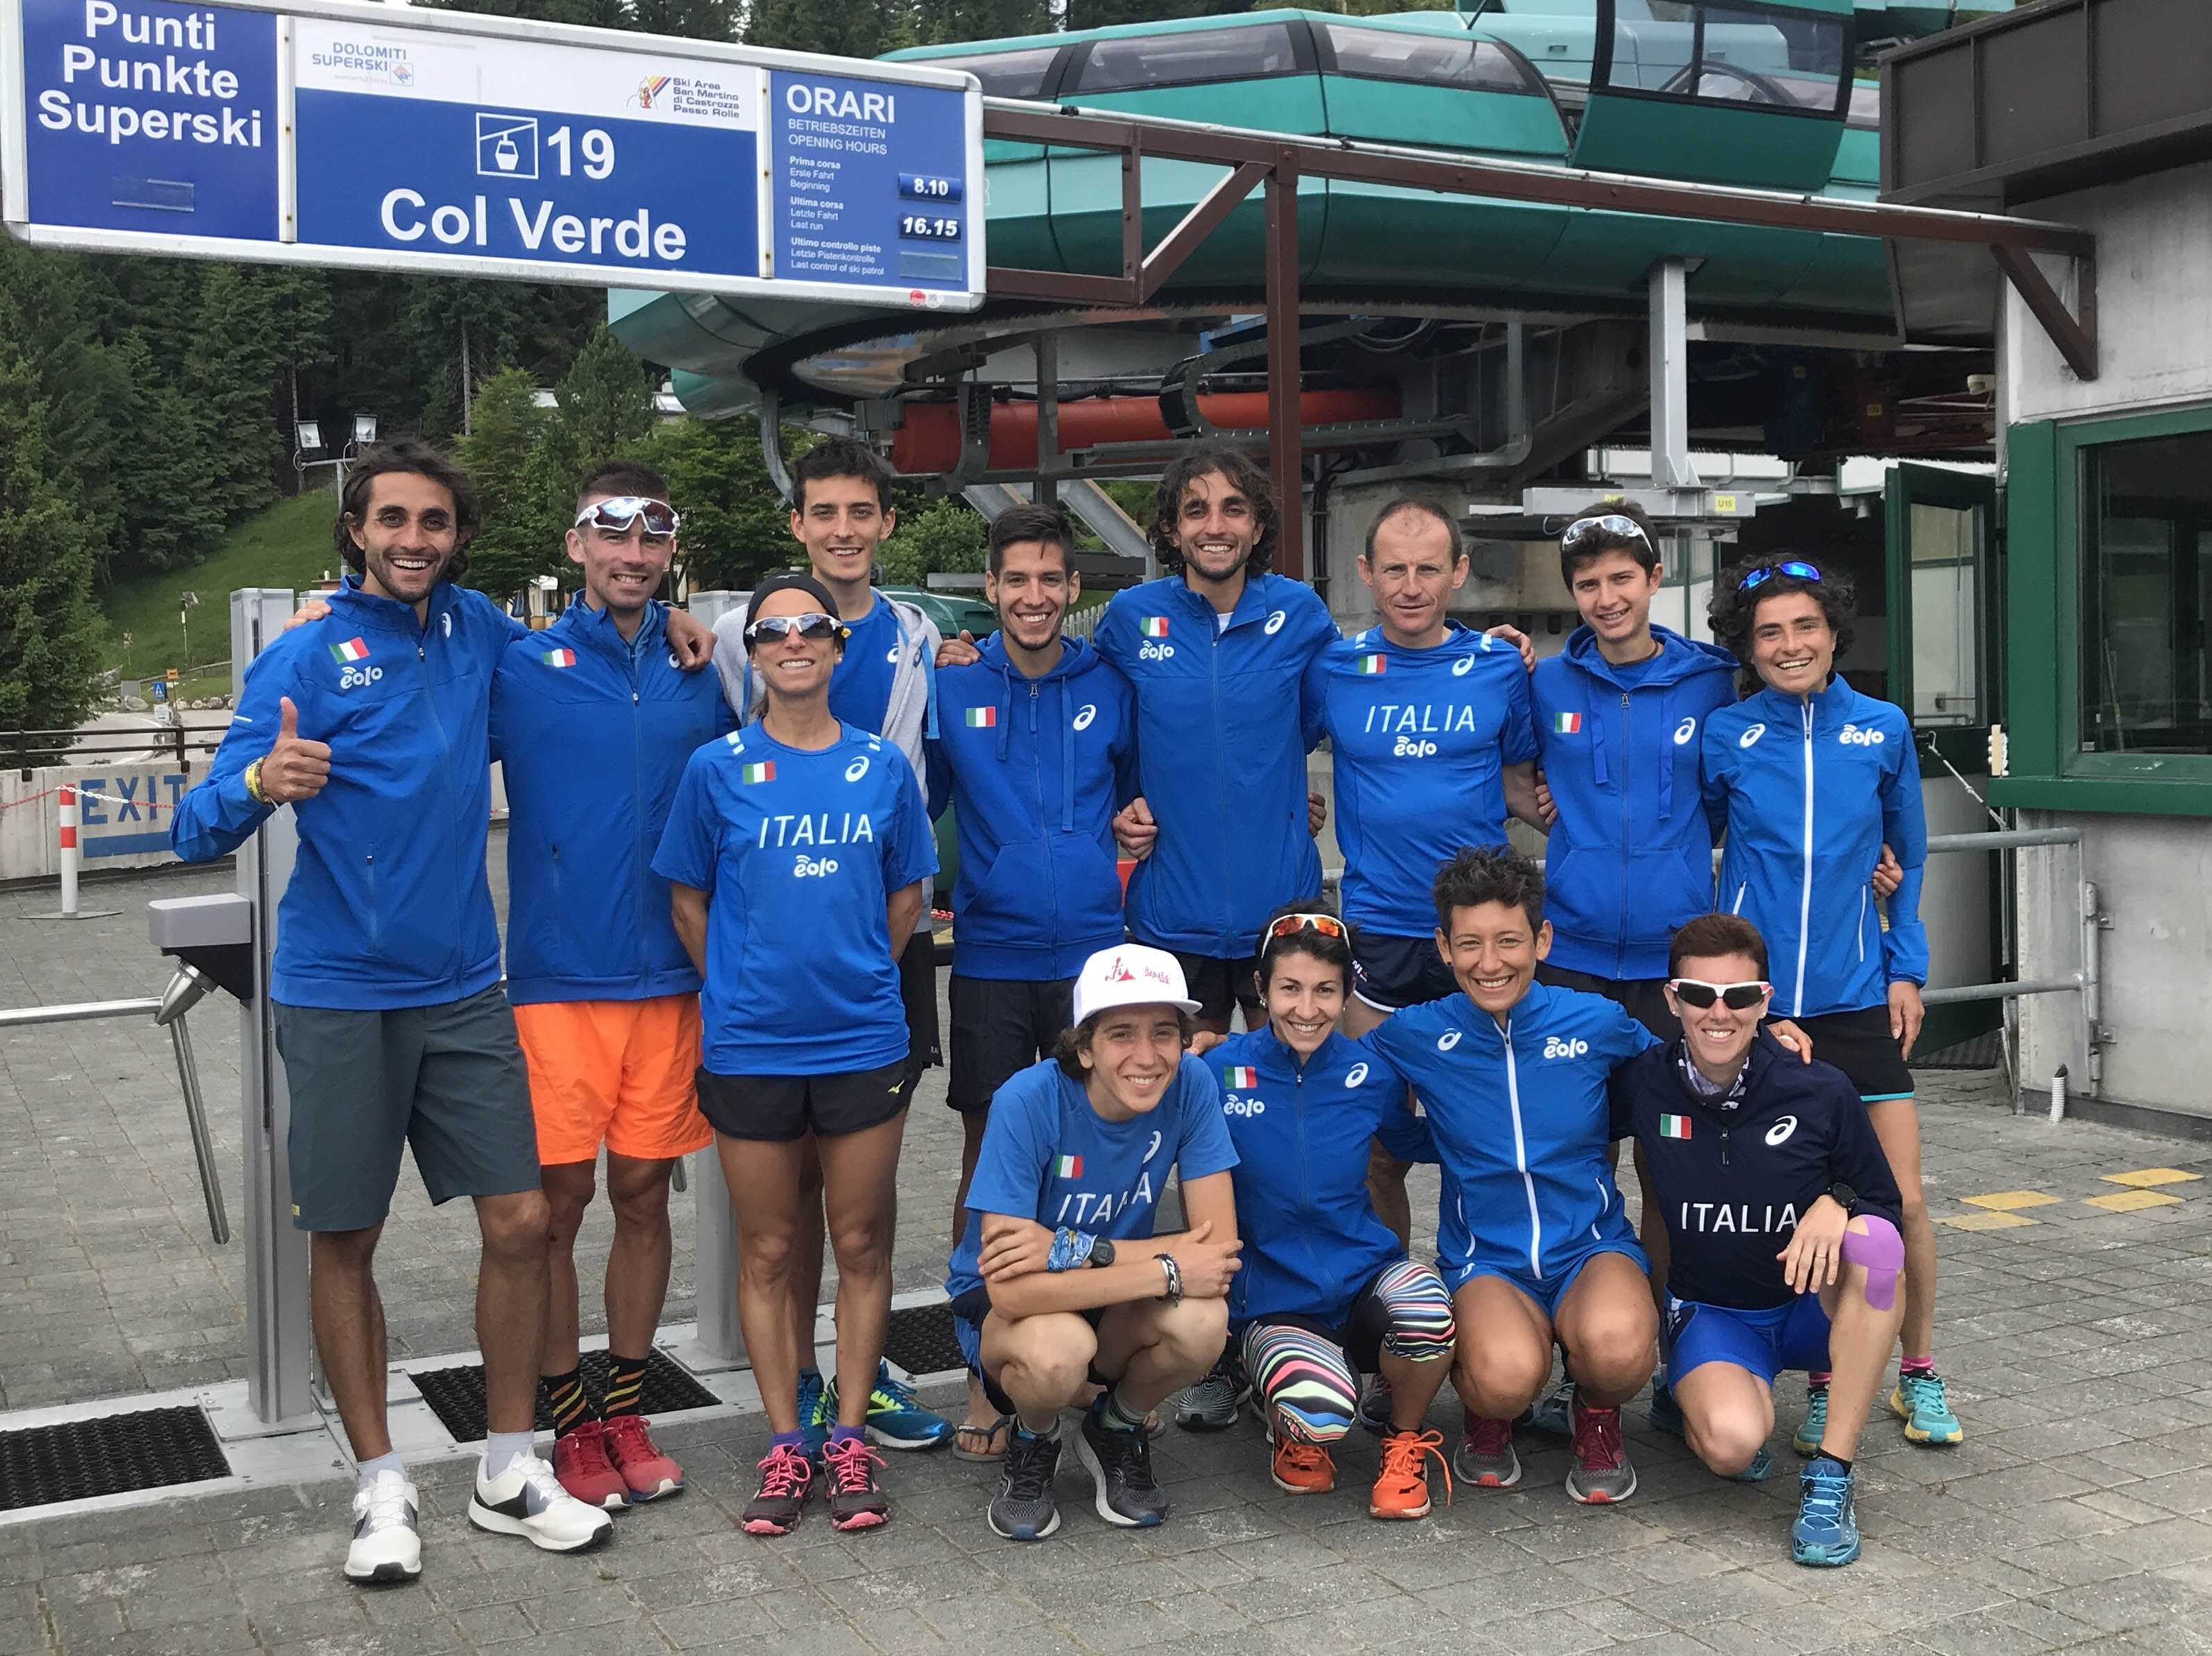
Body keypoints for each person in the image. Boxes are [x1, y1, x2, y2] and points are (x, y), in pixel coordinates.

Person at [171, 441, 694, 1581]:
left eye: (436, 522)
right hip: (339, 992)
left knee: (519, 1224)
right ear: (356, 529)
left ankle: (508, 1468)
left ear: (459, 536)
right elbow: (192, 821)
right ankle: (379, 1483)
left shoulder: (481, 637)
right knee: (345, 1239)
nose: (415, 538)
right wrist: (263, 784)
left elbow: (591, 655)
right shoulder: (303, 655)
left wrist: (675, 628)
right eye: (393, 519)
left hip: (466, 988)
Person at [654, 570, 939, 1537]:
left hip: (861, 1037)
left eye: (810, 626)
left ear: (836, 644)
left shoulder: (881, 768)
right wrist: (738, 981)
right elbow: (688, 899)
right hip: (750, 1043)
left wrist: (859, 970)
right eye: (771, 630)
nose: (792, 642)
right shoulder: (717, 767)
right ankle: (786, 1441)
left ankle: (850, 1432)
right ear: (756, 651)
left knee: (860, 1242)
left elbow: (907, 899)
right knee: (770, 1246)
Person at [490, 461, 733, 1510]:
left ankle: (624, 1407)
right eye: (612, 534)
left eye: (652, 538)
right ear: (577, 542)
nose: (632, 554)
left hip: (671, 975)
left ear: (669, 549)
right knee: (555, 1207)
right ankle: (566, 1417)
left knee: (641, 1193)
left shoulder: (699, 666)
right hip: (557, 978)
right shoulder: (520, 663)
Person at [708, 437, 954, 1457]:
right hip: (772, 956)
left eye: (862, 512)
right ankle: (802, 1383)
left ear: (886, 524)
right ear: (797, 524)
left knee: (859, 1208)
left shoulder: (918, 632)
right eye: (825, 513)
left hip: (875, 944)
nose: (844, 530)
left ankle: (864, 1380)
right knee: (784, 1201)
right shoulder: (730, 632)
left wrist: (874, 942)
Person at [1701, 556, 1955, 1450]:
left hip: (1855, 1000)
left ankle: (1918, 1373)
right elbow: (1693, 847)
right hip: (1763, 1011)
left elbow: (1910, 857)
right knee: (1800, 1209)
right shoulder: (1727, 734)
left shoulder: (1882, 728)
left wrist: (1906, 965)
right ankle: (1827, 1378)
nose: (1790, 644)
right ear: (1748, 645)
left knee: (1904, 1203)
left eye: (1805, 626)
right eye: (1769, 631)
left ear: (1835, 632)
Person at [926, 502, 1139, 1460]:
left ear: (1073, 587)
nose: (1034, 595)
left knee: (1091, 1157)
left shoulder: (1111, 683)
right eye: (1016, 579)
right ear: (990, 588)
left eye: (1051, 578)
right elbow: (908, 788)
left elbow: (1145, 794)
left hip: (1093, 955)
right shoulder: (952, 684)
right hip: (992, 956)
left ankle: (1081, 1360)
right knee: (990, 1160)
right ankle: (984, 1373)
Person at [1360, 846, 1660, 1505]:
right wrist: (1225, 1056)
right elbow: (1337, 1073)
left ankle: (1597, 1417)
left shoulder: (1594, 1019)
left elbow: (1682, 1069)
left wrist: (1772, 1048)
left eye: (1508, 941)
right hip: (1485, 1260)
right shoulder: (1413, 1032)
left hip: (1589, 1247)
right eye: (1469, 943)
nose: (1489, 963)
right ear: (1443, 946)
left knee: (1617, 1350)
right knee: (1504, 1377)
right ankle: (1487, 1416)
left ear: (1541, 938)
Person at [1609, 912, 1907, 1567]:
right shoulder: (1642, 1079)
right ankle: (1684, 1385)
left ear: (1765, 1001)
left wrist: (1839, 1202)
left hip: (1808, 1307)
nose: (1719, 1012)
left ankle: (1832, 1472)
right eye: (1699, 994)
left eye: (1740, 997)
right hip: (1715, 1311)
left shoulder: (1819, 1086)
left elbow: (1884, 1201)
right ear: (1671, 997)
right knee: (1732, 1446)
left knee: (1878, 1247)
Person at [1307, 496, 1546, 1263]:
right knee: (1376, 1148)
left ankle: (1484, 1311)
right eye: (1396, 570)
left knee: (1486, 1146)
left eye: (1429, 569)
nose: (1412, 586)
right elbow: (1256, 746)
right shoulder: (1333, 668)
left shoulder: (1501, 665)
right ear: (1366, 574)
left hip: (1477, 943)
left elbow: (1523, 786)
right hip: (1379, 935)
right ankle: (1392, 1327)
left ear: (1460, 573)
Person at [945, 944, 1242, 1542]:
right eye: (1120, 1034)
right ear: (1083, 1047)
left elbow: (1217, 1252)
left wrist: (1068, 1247)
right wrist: (1159, 1263)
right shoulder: (1026, 1100)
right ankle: (1034, 1435)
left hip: (1103, 1289)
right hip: (1013, 1311)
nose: (1146, 1055)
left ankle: (1114, 1424)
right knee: (1058, 1349)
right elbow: (1009, 1289)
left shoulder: (1192, 1084)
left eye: (1164, 1032)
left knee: (1204, 1322)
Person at [1210, 903, 1456, 1519]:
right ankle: (1294, 1423)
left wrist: (1509, 1128)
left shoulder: (1370, 1072)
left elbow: (1414, 1142)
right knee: (1322, 1413)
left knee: (1429, 1308)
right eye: (1288, 988)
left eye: (1326, 990)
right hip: (1272, 1294)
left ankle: (1402, 1442)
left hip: (1361, 1274)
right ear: (1261, 988)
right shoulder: (1215, 1071)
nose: (1306, 1007)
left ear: (1348, 993)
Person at [1091, 444, 1339, 1037]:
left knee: (1281, 1102)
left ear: (1256, 527)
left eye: (1234, 508)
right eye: (1196, 510)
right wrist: (1121, 809)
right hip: (1173, 918)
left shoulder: (1300, 613)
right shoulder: (1130, 618)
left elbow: (1341, 705)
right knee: (1181, 1101)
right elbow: (1087, 715)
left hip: (1280, 913)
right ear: (1172, 531)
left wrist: (1480, 645)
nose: (1216, 526)